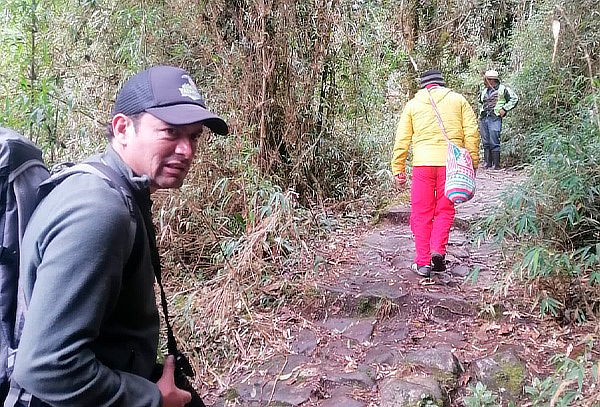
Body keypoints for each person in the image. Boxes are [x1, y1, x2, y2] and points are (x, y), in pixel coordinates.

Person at [8, 66, 228, 407]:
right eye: (170, 132)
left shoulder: (115, 187)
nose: (186, 150)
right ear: (123, 128)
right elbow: (45, 366)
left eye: (194, 136)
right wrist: (151, 397)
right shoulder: (99, 211)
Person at [391, 69, 479, 277]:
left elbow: (402, 139)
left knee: (421, 213)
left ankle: (422, 263)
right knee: (445, 210)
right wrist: (472, 164)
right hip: (451, 164)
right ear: (441, 84)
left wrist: (398, 168)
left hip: (423, 164)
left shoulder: (412, 105)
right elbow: (472, 133)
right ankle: (437, 251)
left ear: (423, 86)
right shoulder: (458, 101)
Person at [479, 69, 518, 170]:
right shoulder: (484, 91)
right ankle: (487, 163)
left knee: (494, 141)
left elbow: (514, 99)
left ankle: (496, 165)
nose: (485, 82)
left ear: (492, 80)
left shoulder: (503, 89)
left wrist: (504, 109)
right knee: (485, 141)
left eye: (487, 80)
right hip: (484, 117)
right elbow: (481, 101)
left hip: (495, 118)